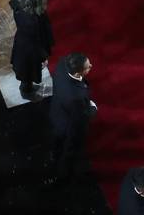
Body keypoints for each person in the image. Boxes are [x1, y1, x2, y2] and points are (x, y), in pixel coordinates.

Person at [47, 52, 97, 187]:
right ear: (77, 73)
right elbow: (79, 119)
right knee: (70, 151)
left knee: (56, 139)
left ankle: (54, 154)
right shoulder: (76, 97)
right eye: (88, 67)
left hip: (56, 112)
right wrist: (92, 109)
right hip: (68, 125)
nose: (91, 66)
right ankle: (63, 174)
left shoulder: (63, 64)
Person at [11, 0, 54, 101]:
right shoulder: (31, 21)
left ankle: (28, 86)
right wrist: (43, 57)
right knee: (27, 73)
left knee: (27, 73)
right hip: (28, 52)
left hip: (24, 46)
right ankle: (26, 92)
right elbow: (35, 43)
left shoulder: (22, 6)